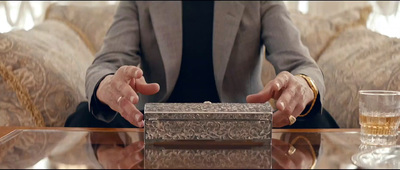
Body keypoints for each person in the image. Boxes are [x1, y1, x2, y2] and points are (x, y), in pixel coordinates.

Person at [65, 1, 339, 128]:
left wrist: (302, 85)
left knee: (316, 119)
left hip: (240, 125)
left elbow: (303, 65)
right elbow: (104, 66)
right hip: (155, 124)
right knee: (86, 116)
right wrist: (109, 85)